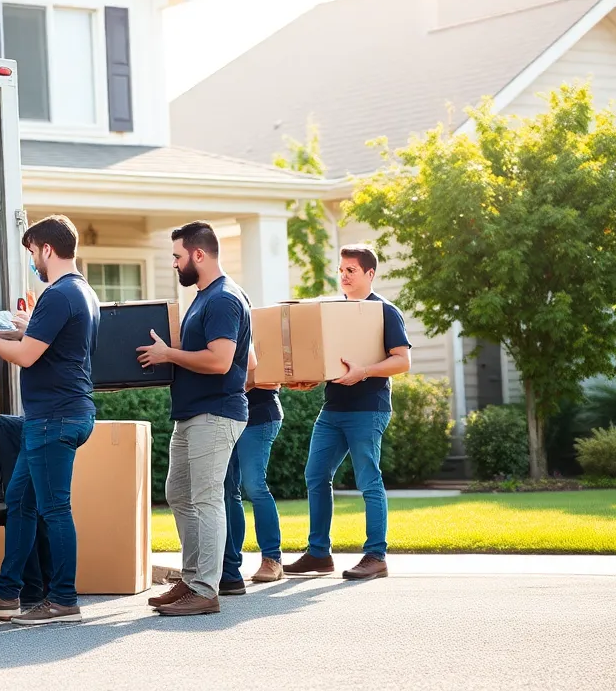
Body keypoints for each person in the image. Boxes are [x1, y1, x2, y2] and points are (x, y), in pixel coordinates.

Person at [0, 214, 100, 625]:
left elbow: (27, 357)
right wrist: (22, 329)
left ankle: (64, 601)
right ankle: (6, 593)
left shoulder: (58, 295)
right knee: (19, 500)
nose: (33, 261)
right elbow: (46, 345)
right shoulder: (82, 291)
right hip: (58, 415)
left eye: (33, 252)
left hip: (55, 418)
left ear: (47, 249)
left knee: (54, 510)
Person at [137, 221, 252, 616]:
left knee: (205, 499)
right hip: (191, 414)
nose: (174, 264)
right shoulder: (205, 298)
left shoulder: (222, 299)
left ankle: (205, 589)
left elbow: (221, 361)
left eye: (177, 256)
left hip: (214, 414)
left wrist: (170, 354)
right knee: (180, 495)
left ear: (198, 255)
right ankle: (191, 580)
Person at [283, 244, 411, 581]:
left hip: (368, 409)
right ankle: (318, 554)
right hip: (333, 407)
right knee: (315, 474)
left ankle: (375, 555)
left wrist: (364, 372)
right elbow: (329, 360)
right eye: (341, 270)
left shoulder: (385, 312)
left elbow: (402, 360)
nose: (343, 276)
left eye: (351, 270)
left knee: (368, 479)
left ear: (370, 273)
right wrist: (309, 379)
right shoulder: (335, 312)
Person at [219, 371, 286, 595]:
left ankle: (272, 559)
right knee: (228, 490)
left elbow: (274, 379)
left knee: (254, 485)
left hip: (259, 416)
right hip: (229, 417)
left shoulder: (263, 336)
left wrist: (235, 385)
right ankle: (230, 565)